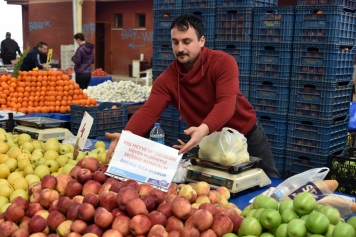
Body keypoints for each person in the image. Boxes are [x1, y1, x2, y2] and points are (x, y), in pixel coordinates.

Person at [105, 14, 279, 178]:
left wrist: (203, 129)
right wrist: (127, 135)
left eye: (186, 41)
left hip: (246, 134)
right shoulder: (167, 79)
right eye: (175, 42)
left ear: (202, 40)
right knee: (223, 191)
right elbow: (149, 111)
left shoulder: (223, 63)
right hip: (211, 145)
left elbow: (227, 103)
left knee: (269, 180)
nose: (180, 49)